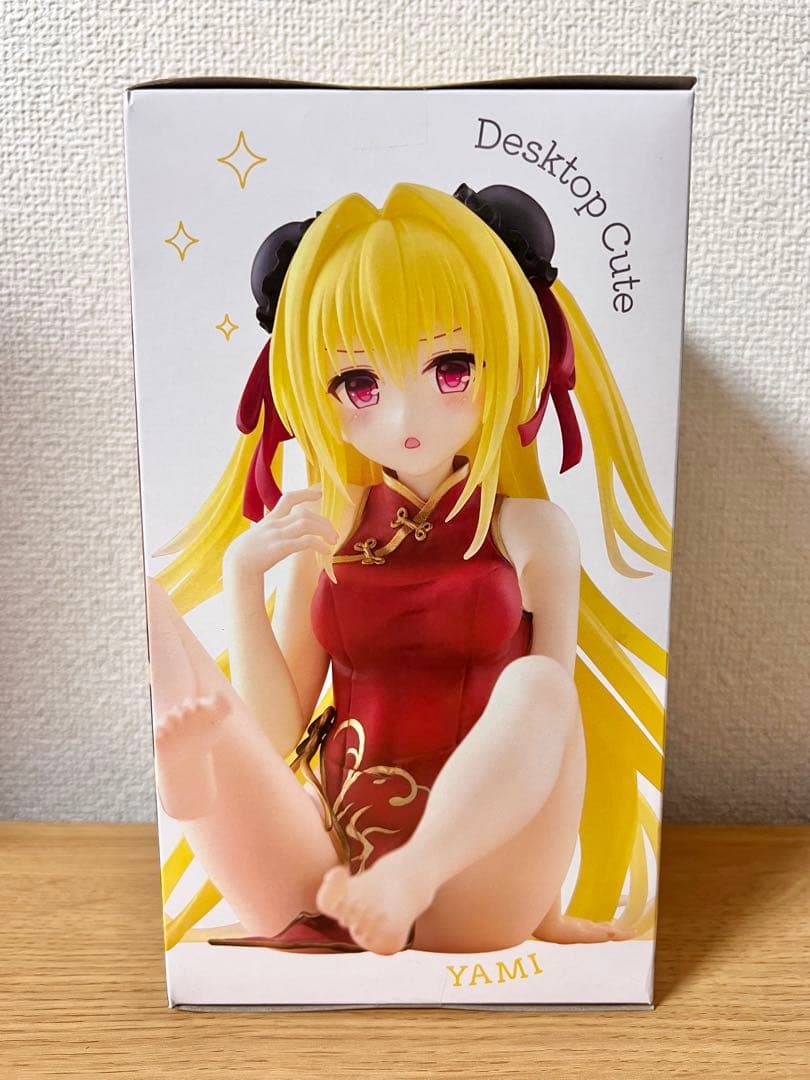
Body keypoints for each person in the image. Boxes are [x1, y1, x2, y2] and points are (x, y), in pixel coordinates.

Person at [149, 182, 669, 955]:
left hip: (480, 883)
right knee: (153, 614)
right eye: (359, 384)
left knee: (539, 681)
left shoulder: (532, 532)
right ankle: (189, 788)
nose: (404, 417)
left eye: (451, 369)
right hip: (330, 872)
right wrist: (241, 581)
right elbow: (277, 730)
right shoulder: (325, 527)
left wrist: (547, 907)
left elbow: (551, 730)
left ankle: (409, 877)